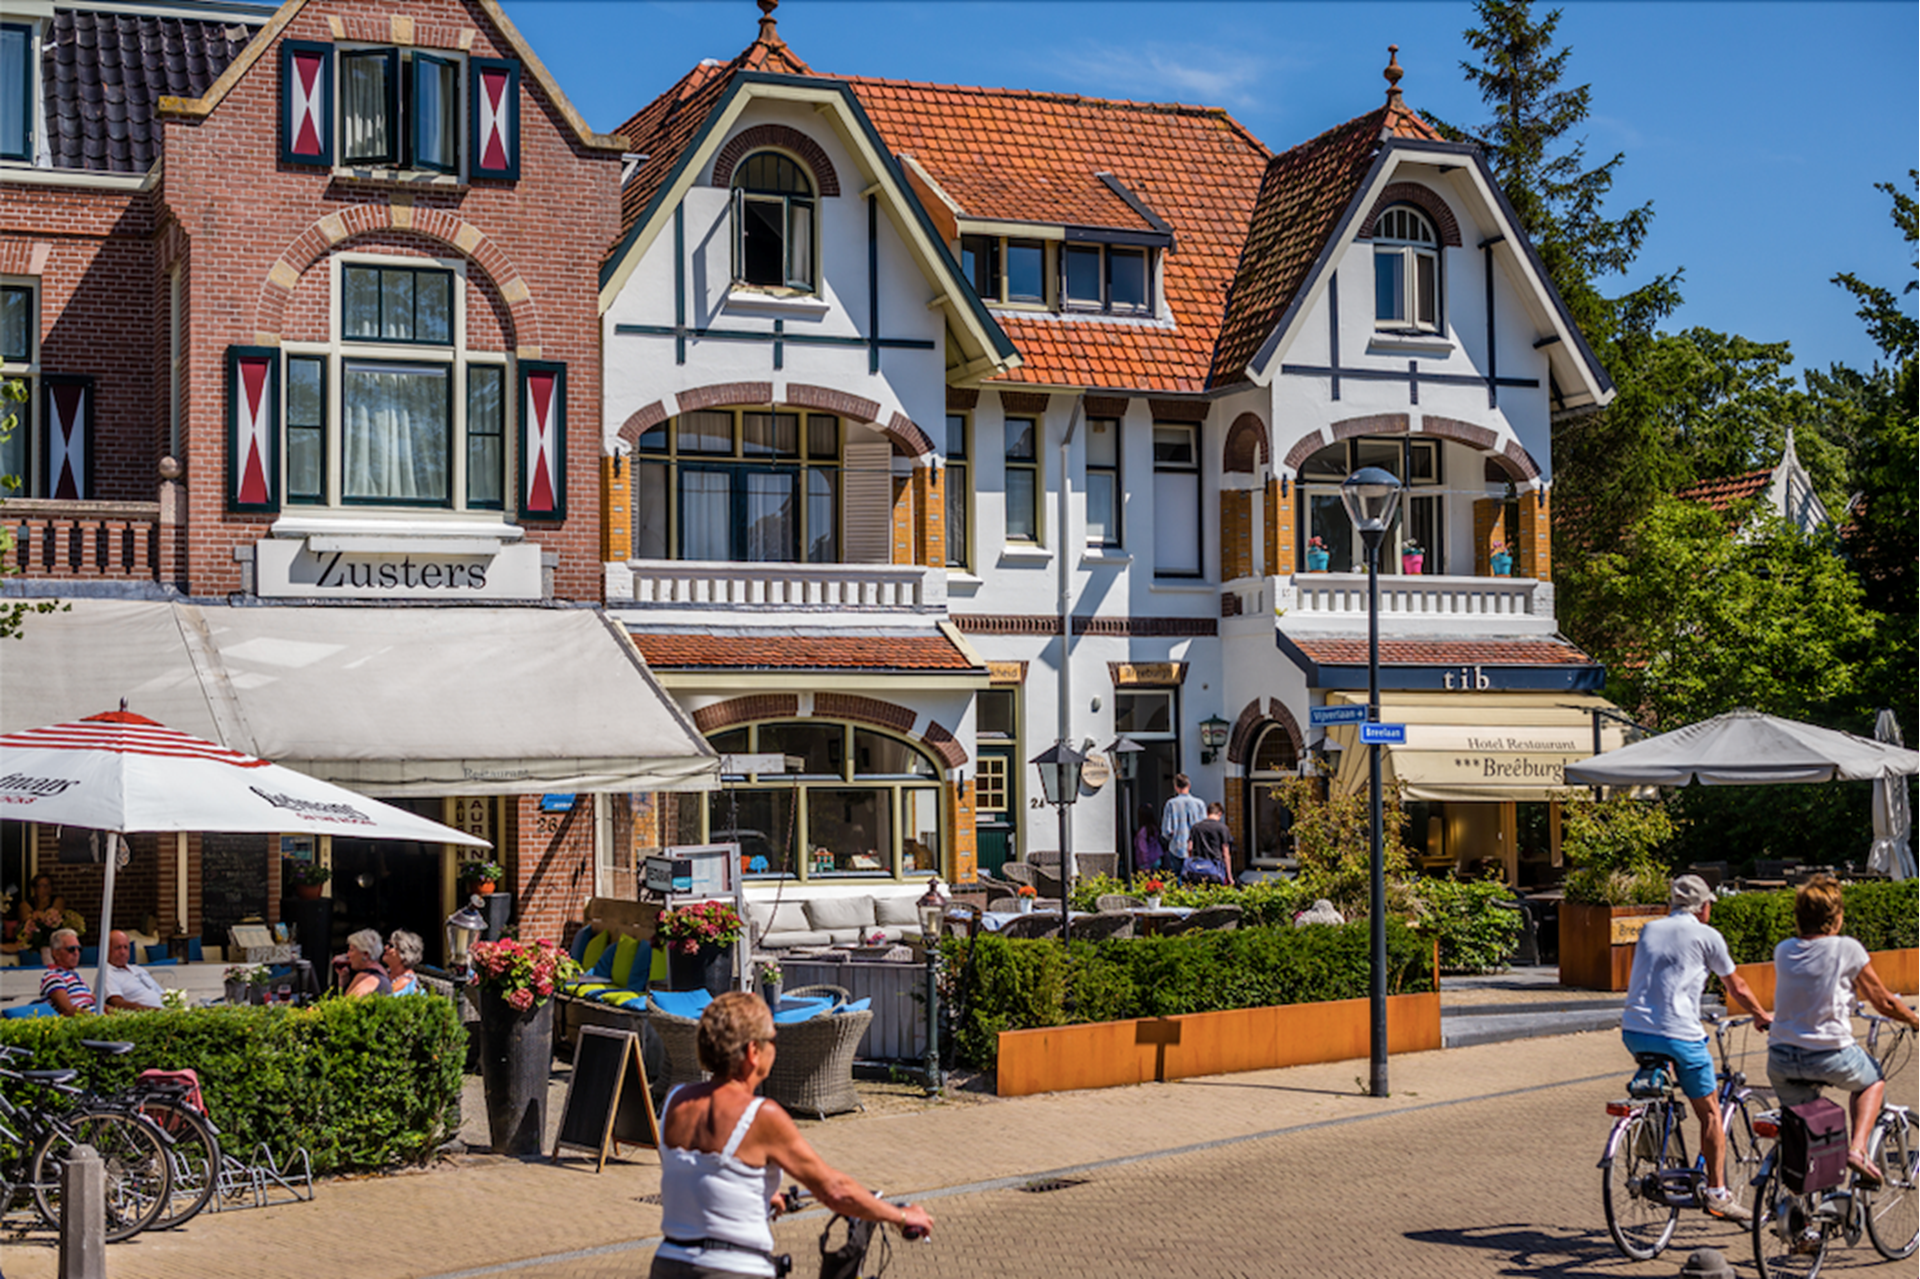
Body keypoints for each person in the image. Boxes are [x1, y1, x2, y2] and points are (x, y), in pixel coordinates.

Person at [653, 992, 931, 1278]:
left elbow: (698, 1174)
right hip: (731, 1269)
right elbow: (834, 1190)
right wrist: (900, 1216)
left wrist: (757, 1193)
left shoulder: (676, 1099)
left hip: (669, 1262)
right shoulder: (761, 1115)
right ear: (753, 1051)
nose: (776, 1048)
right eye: (773, 1039)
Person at [1618, 874, 1772, 1222]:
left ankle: (1658, 1146)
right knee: (1711, 1113)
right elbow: (1737, 986)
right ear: (1703, 907)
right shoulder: (1707, 935)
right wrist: (1761, 1016)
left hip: (1635, 1030)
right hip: (1680, 1034)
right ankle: (1718, 1193)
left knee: (1661, 1088)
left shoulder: (1649, 929)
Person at [1767, 873, 1919, 1186]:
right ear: (1836, 918)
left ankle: (1803, 1204)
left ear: (1798, 917)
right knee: (1873, 1081)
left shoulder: (1783, 949)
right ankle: (1858, 1150)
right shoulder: (1847, 948)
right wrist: (1915, 1020)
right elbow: (1884, 1002)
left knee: (1807, 1128)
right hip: (1828, 1053)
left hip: (1780, 1056)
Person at [103, 929, 167, 1011]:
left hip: (167, 1011)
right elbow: (118, 1004)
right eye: (118, 947)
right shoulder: (107, 974)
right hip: (147, 1016)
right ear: (107, 950)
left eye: (126, 947)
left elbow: (163, 994)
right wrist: (156, 1010)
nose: (123, 952)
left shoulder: (138, 969)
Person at [38, 927, 96, 1016]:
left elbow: (94, 1001)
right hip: (83, 1021)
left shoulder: (76, 976)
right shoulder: (53, 976)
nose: (76, 953)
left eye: (79, 949)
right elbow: (67, 1009)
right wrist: (96, 1017)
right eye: (71, 949)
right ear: (56, 954)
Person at [1159, 774, 1206, 876]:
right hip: (1196, 848)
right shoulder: (1200, 804)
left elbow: (1166, 830)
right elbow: (1204, 827)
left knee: (1178, 877)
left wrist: (1169, 838)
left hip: (1177, 847)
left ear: (1176, 787)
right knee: (1195, 877)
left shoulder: (1171, 804)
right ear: (1189, 786)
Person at [1184, 802, 1233, 885]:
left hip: (1198, 869)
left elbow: (1190, 848)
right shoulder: (1222, 828)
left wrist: (1191, 862)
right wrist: (1229, 876)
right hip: (1215, 869)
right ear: (1220, 813)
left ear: (1207, 812)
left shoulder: (1196, 827)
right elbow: (1225, 853)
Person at [341, 929, 393, 997]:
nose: (348, 955)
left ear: (365, 954)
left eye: (352, 950)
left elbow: (346, 1001)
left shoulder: (366, 976)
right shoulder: (382, 973)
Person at [384, 930, 424, 996]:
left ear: (403, 953)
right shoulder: (388, 972)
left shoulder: (406, 980)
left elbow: (378, 995)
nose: (386, 947)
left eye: (391, 946)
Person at [1132, 803, 1165, 877]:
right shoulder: (1154, 828)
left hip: (1145, 862)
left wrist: (1146, 863)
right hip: (1156, 858)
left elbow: (1143, 848)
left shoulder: (1142, 831)